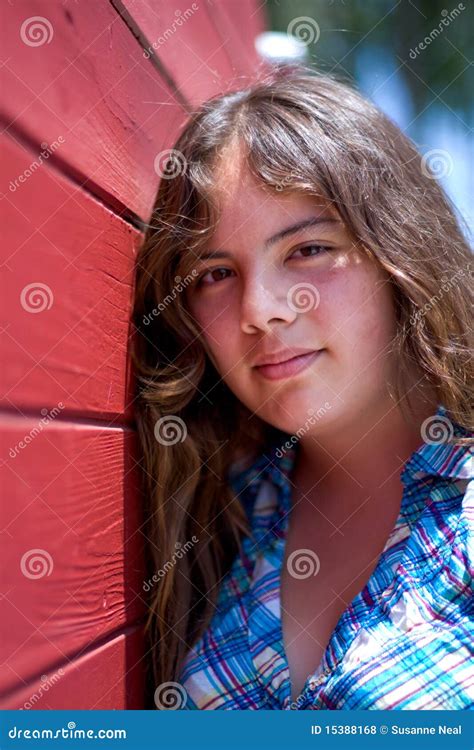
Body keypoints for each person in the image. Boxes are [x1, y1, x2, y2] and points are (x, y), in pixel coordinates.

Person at [131, 66, 473, 710]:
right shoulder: (217, 513)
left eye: (308, 249)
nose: (260, 308)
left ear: (398, 255)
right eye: (214, 273)